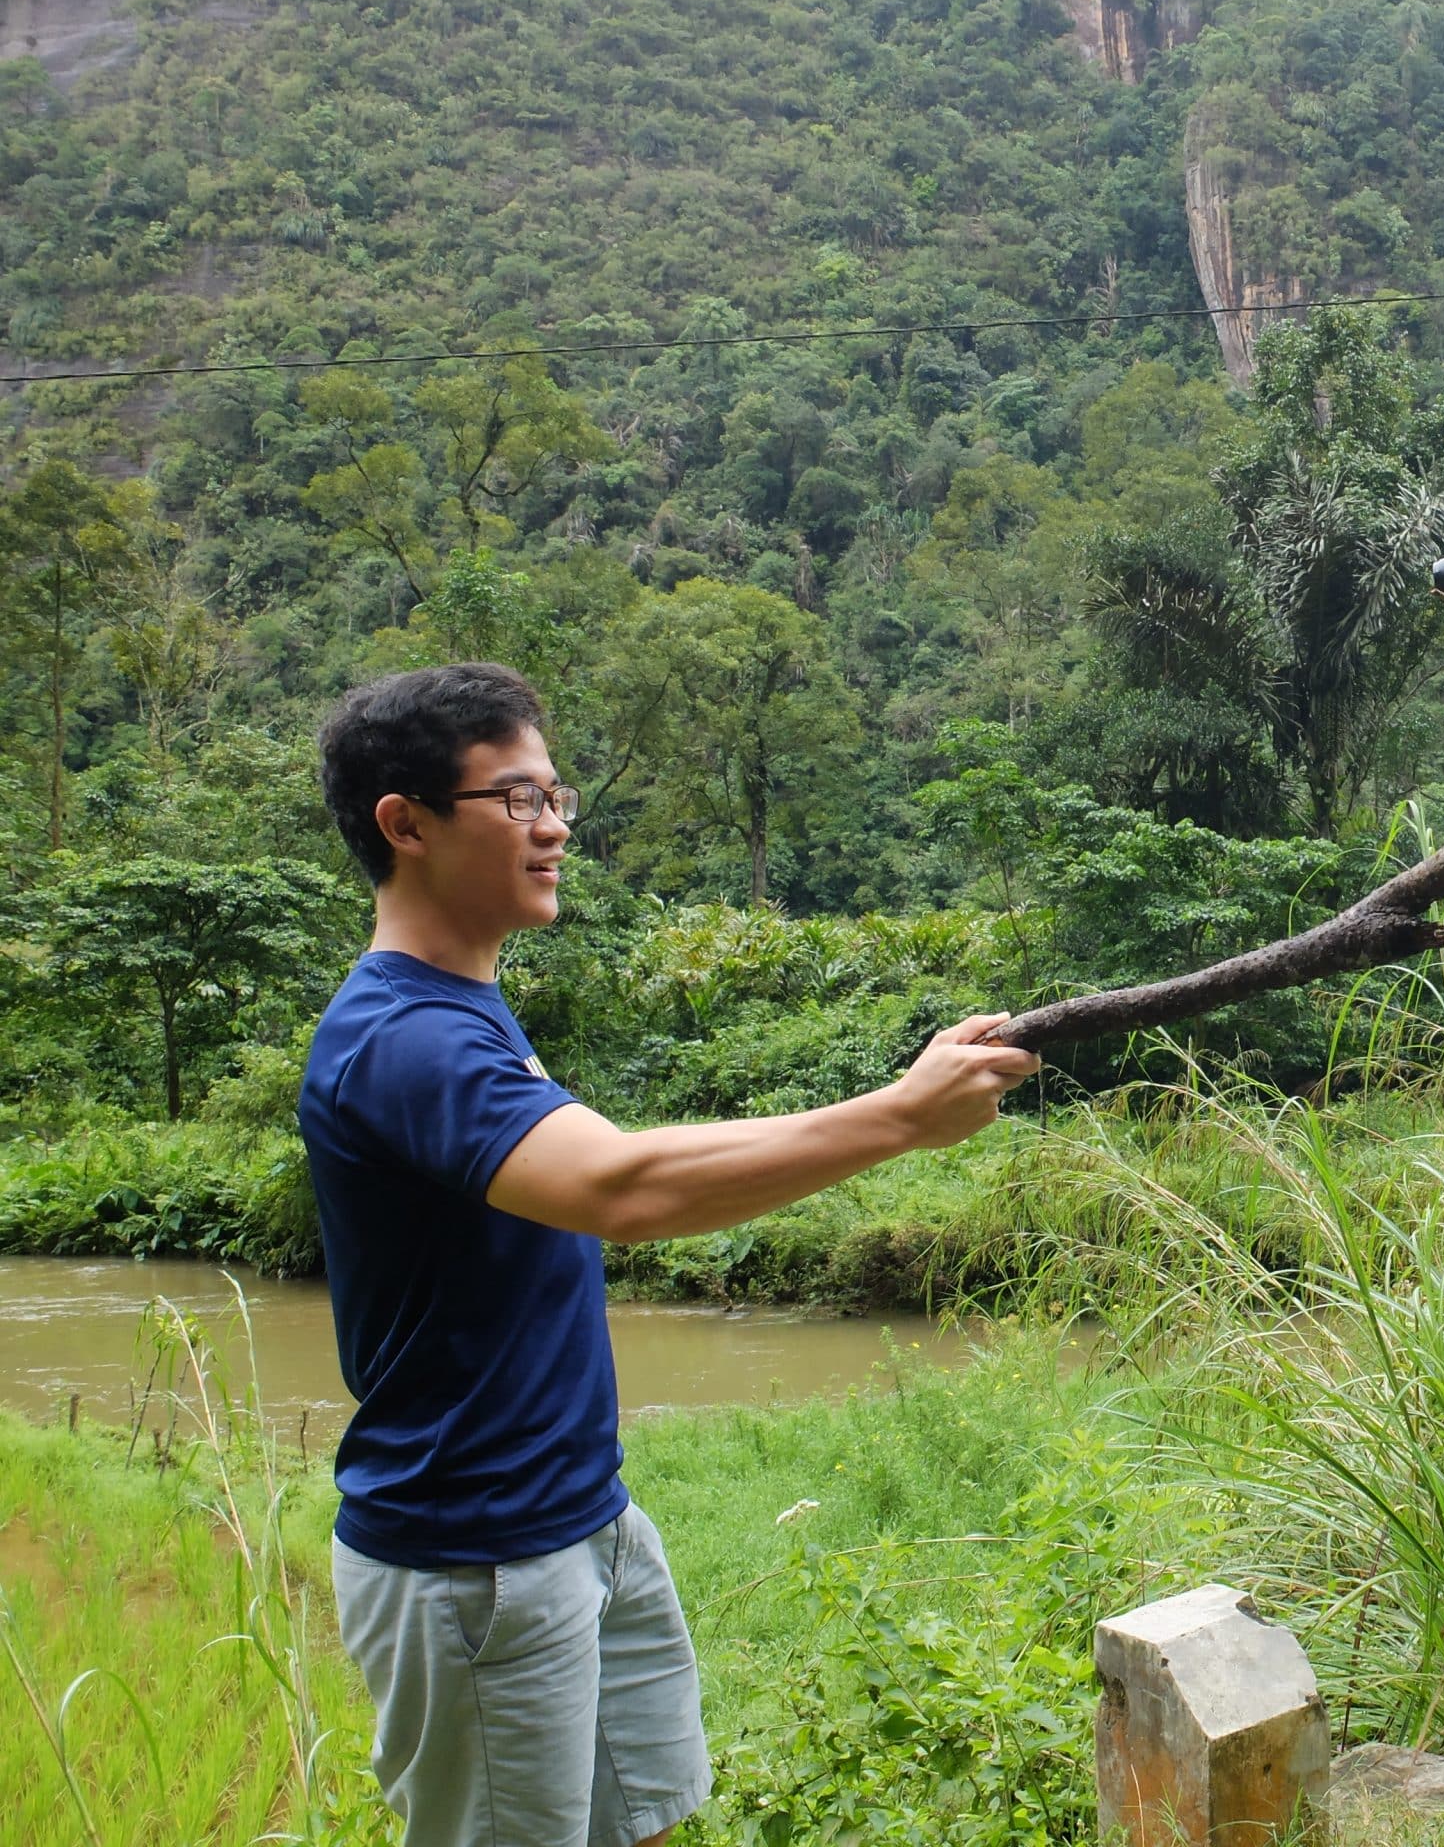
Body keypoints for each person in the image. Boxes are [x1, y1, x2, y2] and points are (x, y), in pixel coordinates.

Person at [300, 662, 1039, 1847]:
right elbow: (620, 1188)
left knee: (648, 1823)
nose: (553, 833)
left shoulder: (467, 1009)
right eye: (517, 802)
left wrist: (896, 1100)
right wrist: (899, 1117)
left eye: (558, 800)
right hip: (476, 1562)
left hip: (579, 1517)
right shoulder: (402, 1038)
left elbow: (615, 1163)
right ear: (408, 824)